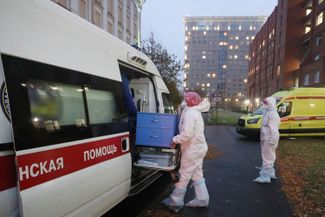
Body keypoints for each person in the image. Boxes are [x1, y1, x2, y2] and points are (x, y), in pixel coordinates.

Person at [163, 92, 210, 211]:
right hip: (198, 147)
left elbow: (187, 134)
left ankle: (175, 202)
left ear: (190, 101)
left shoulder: (190, 113)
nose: (184, 99)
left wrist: (175, 140)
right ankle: (202, 199)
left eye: (186, 98)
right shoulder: (195, 111)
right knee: (197, 174)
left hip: (192, 150)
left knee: (183, 175)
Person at [254, 96, 281, 184]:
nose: (264, 104)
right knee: (269, 155)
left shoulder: (272, 114)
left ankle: (265, 176)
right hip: (266, 138)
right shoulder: (268, 112)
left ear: (271, 104)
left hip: (269, 139)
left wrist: (272, 141)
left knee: (267, 156)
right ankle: (270, 173)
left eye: (266, 103)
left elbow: (274, 130)